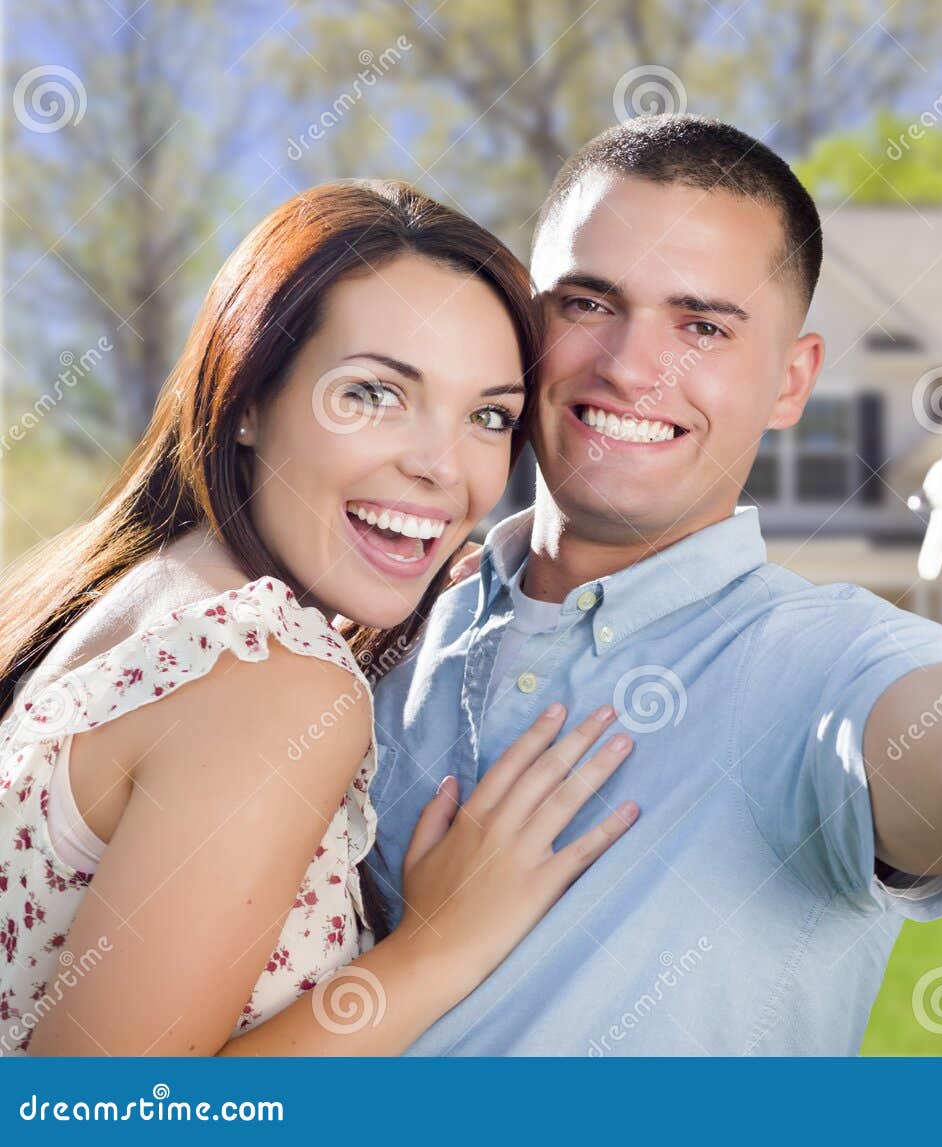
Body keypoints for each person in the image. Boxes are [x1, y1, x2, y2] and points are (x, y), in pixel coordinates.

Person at [368, 115, 942, 1056]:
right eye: (586, 303)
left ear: (792, 381)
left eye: (702, 325)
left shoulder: (823, 660)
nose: (628, 366)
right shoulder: (397, 615)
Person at [0, 180, 639, 1056]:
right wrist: (440, 945)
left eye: (489, 417)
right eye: (374, 393)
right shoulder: (273, 679)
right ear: (251, 396)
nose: (442, 471)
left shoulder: (122, 592)